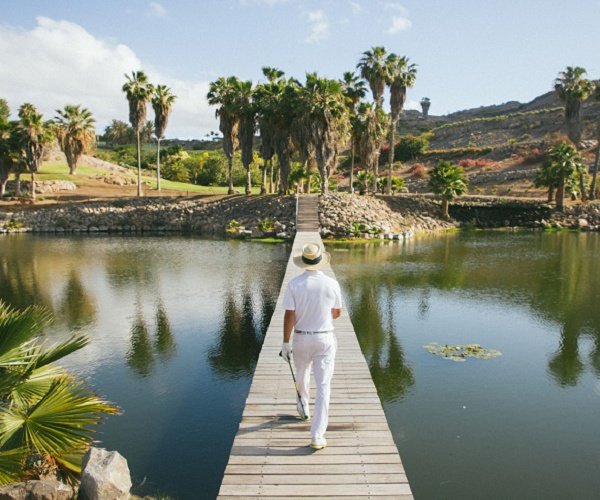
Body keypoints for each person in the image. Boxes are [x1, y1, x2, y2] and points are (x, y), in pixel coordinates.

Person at [281, 242, 342, 450]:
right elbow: (337, 312)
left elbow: (289, 314)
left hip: (300, 338)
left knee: (301, 373)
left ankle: (303, 406)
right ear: (320, 261)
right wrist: (323, 314)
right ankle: (317, 435)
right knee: (324, 385)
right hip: (324, 338)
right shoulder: (332, 284)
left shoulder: (294, 284)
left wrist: (285, 342)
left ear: (304, 263)